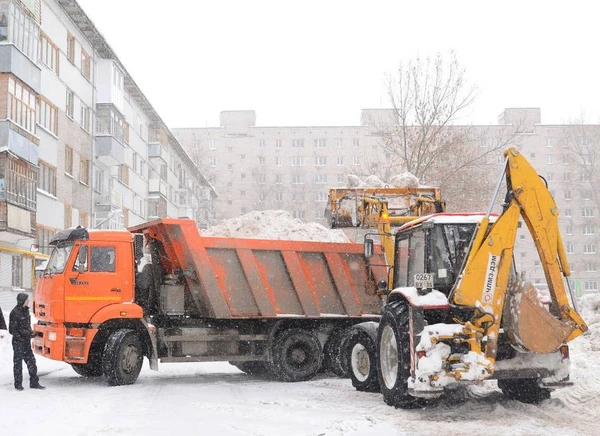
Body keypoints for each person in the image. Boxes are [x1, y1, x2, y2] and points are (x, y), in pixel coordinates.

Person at [9, 293, 45, 391]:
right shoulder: (15, 312)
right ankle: (18, 384)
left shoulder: (25, 311)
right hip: (18, 342)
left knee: (31, 362)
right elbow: (12, 330)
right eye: (26, 300)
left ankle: (34, 383)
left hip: (25, 342)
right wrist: (23, 336)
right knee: (18, 364)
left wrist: (31, 333)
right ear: (22, 300)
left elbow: (25, 328)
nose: (28, 301)